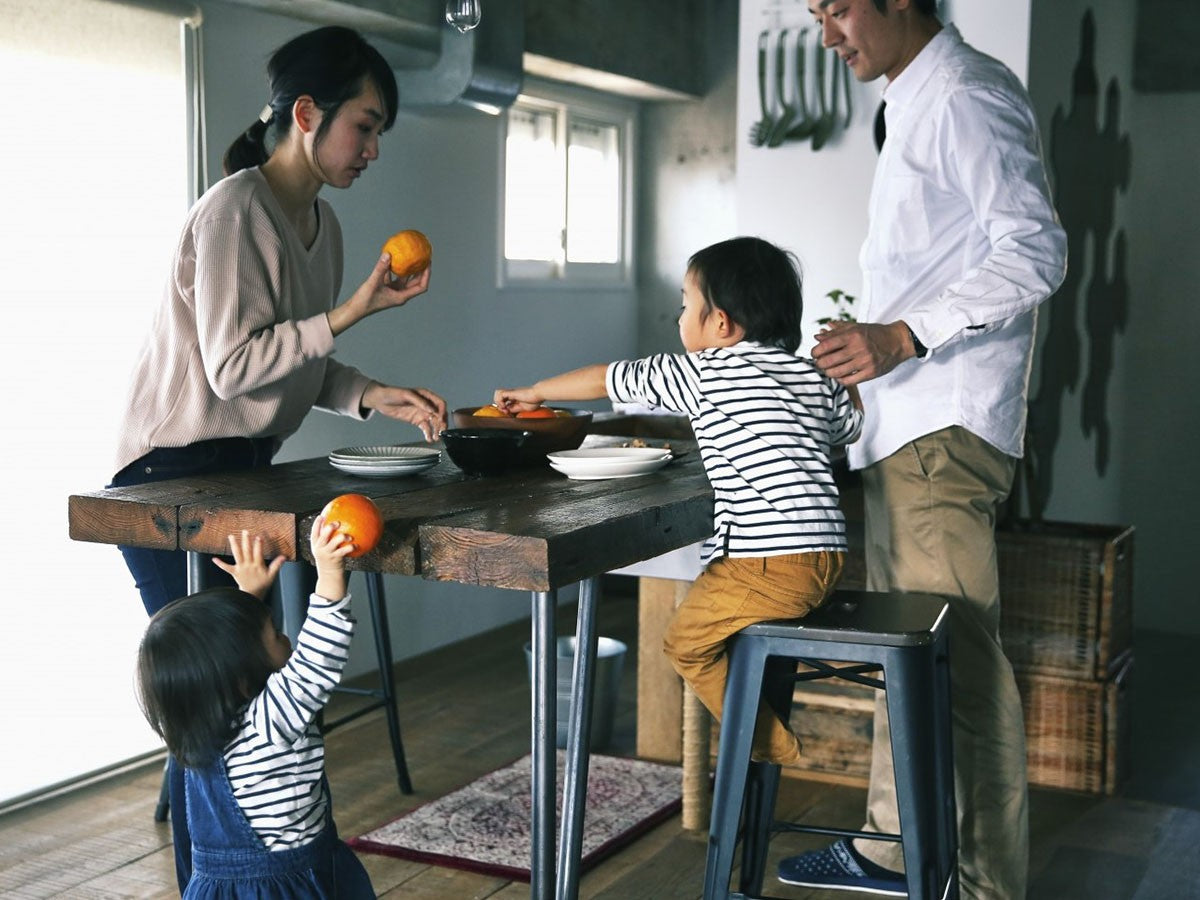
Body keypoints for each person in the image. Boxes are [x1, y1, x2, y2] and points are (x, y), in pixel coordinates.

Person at [107, 25, 446, 891]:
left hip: (237, 466)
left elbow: (295, 358)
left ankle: (282, 868)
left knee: (250, 709)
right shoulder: (232, 211)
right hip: (168, 480)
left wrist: (372, 393)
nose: (372, 148)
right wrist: (356, 310)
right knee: (219, 714)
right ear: (307, 114)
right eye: (364, 126)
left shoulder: (319, 225)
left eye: (377, 133)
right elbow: (234, 364)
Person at [777, 2, 1068, 898]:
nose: (827, 33)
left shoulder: (965, 96)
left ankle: (981, 888)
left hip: (941, 434)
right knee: (913, 658)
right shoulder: (917, 99)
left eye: (837, 7)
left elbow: (1038, 250)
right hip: (910, 429)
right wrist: (875, 345)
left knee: (961, 671)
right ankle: (888, 849)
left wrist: (902, 336)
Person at [495, 236, 863, 765]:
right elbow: (849, 428)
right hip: (826, 560)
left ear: (721, 324)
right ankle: (758, 714)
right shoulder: (810, 377)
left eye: (685, 305)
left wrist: (533, 392)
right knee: (714, 623)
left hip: (767, 566)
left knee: (684, 644)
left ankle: (768, 745)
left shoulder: (702, 372)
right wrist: (845, 376)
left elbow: (604, 377)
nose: (679, 317)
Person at [136, 524, 373, 899]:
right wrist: (329, 572)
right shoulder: (269, 723)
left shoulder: (198, 726)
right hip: (285, 887)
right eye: (275, 635)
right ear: (241, 678)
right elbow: (315, 662)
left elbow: (224, 657)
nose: (287, 638)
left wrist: (249, 598)